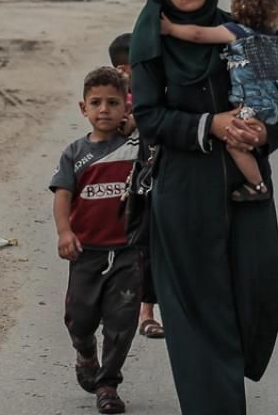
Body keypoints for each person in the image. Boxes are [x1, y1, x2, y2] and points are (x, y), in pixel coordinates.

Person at [129, 0, 278, 414]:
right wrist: (212, 125)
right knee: (202, 315)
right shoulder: (151, 43)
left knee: (262, 288)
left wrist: (265, 131)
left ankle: (227, 376)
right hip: (185, 191)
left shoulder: (236, 30)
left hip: (246, 191)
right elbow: (148, 116)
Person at [50, 67, 143, 415]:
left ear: (126, 108)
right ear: (83, 108)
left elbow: (154, 131)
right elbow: (62, 195)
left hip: (127, 250)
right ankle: (85, 350)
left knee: (122, 321)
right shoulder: (75, 153)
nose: (104, 109)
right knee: (79, 317)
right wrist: (65, 233)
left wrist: (137, 124)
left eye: (114, 102)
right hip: (85, 253)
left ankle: (108, 384)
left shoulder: (136, 145)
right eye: (96, 102)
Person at [160, 0, 278, 202]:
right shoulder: (272, 35)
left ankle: (257, 185)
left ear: (239, 6)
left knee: (235, 143)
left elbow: (199, 35)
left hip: (252, 104)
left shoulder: (237, 32)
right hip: (277, 99)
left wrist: (171, 29)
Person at [107, 34, 164, 342]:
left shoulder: (154, 88)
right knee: (138, 245)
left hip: (158, 174)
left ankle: (151, 310)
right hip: (128, 184)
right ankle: (144, 312)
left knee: (155, 244)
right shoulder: (114, 99)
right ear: (123, 69)